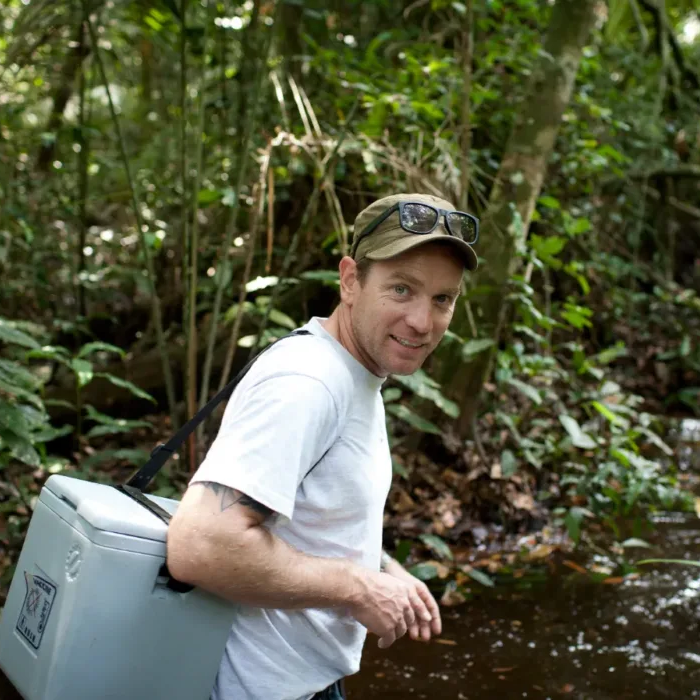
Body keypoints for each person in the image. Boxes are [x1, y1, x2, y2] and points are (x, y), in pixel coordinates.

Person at [166, 193, 480, 700]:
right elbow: (201, 545)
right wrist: (359, 589)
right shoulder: (308, 383)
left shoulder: (352, 372)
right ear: (351, 280)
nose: (423, 322)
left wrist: (380, 569)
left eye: (442, 299)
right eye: (402, 289)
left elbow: (304, 518)